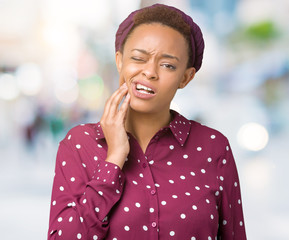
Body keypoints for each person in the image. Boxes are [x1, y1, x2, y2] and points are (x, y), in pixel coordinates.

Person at [48, 3, 246, 240]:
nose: (150, 72)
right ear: (120, 60)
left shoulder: (214, 147)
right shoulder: (80, 144)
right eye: (138, 58)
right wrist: (113, 161)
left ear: (186, 77)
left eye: (167, 65)